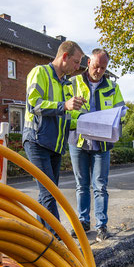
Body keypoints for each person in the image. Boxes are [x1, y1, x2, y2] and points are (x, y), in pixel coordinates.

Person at [22, 41, 86, 232]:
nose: (77, 68)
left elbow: (69, 118)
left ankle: (40, 238)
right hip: (37, 140)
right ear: (64, 56)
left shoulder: (67, 86)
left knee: (45, 196)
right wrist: (63, 105)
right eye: (76, 62)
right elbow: (34, 104)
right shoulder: (40, 73)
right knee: (50, 193)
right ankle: (58, 243)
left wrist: (87, 122)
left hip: (56, 146)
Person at [67, 48, 125, 242]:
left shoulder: (112, 87)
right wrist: (81, 119)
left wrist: (121, 114)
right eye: (96, 65)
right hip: (79, 140)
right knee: (81, 185)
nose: (98, 70)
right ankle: (83, 222)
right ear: (88, 62)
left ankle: (101, 225)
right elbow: (65, 110)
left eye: (103, 67)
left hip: (102, 143)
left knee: (100, 186)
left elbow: (120, 110)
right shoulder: (73, 83)